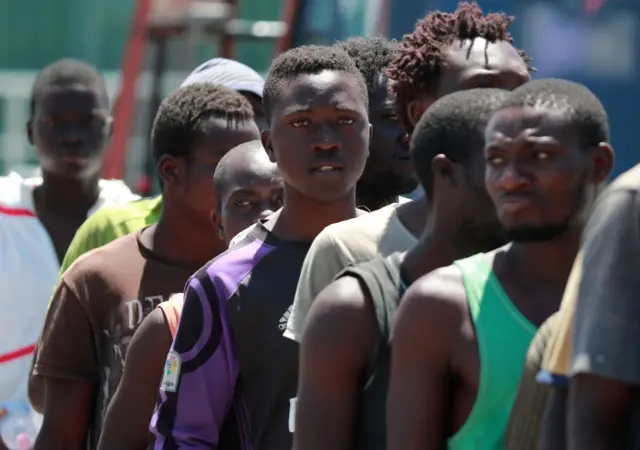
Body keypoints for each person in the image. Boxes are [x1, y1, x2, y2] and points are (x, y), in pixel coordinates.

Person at [151, 44, 370, 450]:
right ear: (269, 144)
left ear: (367, 134)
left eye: (345, 120)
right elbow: (184, 436)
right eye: (302, 123)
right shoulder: (224, 284)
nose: (325, 140)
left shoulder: (403, 253)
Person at [285, 2, 533, 344]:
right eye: (483, 89)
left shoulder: (553, 249)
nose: (510, 108)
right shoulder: (347, 250)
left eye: (521, 91)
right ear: (420, 114)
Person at [386, 78, 613, 450]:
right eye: (496, 161)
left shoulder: (626, 295)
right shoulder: (442, 307)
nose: (510, 180)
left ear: (599, 164)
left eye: (537, 157)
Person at [31, 83, 260, 450]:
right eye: (223, 161)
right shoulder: (95, 279)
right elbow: (60, 432)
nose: (246, 172)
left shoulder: (270, 270)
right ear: (171, 170)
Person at [294, 88, 511, 450]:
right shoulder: (352, 309)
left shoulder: (545, 296)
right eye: (500, 163)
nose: (520, 181)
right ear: (445, 173)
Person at [96, 140, 283, 450]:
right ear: (218, 224)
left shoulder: (330, 301)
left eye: (281, 200)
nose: (265, 215)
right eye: (243, 203)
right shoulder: (170, 325)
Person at [0, 59, 137, 422]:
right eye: (55, 122)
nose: (72, 136)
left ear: (110, 129)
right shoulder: (3, 214)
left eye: (87, 122)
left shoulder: (135, 221)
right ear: (30, 131)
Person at [57, 57, 268, 277]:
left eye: (256, 112)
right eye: (220, 113)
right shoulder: (111, 229)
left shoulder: (280, 230)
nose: (244, 123)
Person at [338, 36, 416, 211]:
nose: (411, 136)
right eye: (392, 118)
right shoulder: (312, 230)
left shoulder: (432, 228)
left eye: (418, 117)